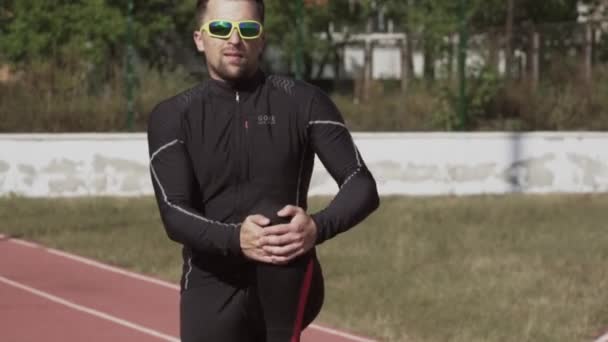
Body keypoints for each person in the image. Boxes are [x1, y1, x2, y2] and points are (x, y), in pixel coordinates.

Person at [147, 0, 379, 341]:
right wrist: (236, 238)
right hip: (211, 277)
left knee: (279, 222)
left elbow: (361, 185)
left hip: (284, 268)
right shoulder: (173, 115)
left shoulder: (304, 101)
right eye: (221, 29)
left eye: (248, 29)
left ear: (263, 39)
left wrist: (317, 226)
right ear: (200, 39)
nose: (235, 39)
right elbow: (173, 213)